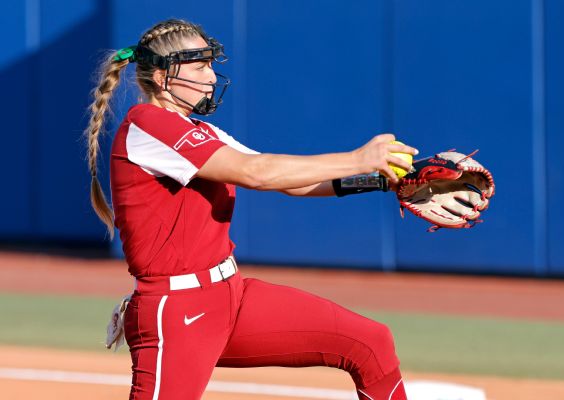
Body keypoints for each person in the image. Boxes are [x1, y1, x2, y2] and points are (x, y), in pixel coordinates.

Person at [85, 18, 418, 400]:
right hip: (177, 312)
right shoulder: (148, 124)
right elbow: (256, 173)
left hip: (231, 298)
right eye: (200, 66)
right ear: (162, 77)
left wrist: (380, 180)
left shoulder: (196, 131)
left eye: (211, 65)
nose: (211, 77)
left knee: (371, 343)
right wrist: (359, 158)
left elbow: (289, 180)